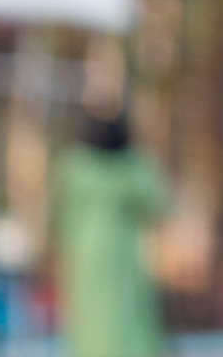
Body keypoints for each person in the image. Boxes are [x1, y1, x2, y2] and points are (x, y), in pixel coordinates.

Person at [52, 111, 166, 357]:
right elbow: (157, 203)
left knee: (88, 318)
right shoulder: (131, 171)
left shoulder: (75, 168)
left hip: (83, 254)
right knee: (126, 316)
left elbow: (54, 216)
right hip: (124, 254)